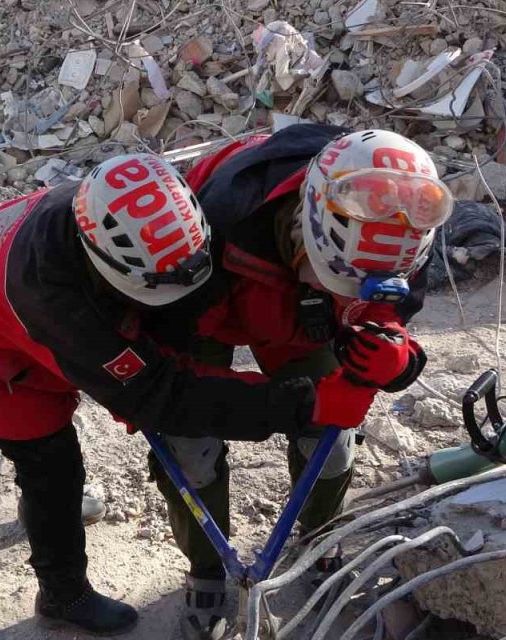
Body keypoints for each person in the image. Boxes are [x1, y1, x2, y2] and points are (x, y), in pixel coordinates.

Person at [0, 153, 397, 636]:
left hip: (2, 290)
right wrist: (301, 405)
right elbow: (156, 396)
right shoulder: (58, 303)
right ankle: (62, 593)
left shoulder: (145, 209)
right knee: (50, 467)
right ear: (108, 272)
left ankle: (313, 540)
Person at [151, 126, 452, 639]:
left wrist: (395, 354)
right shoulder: (216, 220)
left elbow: (387, 311)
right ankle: (206, 568)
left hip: (296, 314)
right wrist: (266, 405)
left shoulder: (402, 224)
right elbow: (171, 370)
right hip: (208, 300)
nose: (342, 294)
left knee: (331, 443)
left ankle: (319, 539)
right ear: (305, 228)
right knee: (187, 445)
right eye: (331, 274)